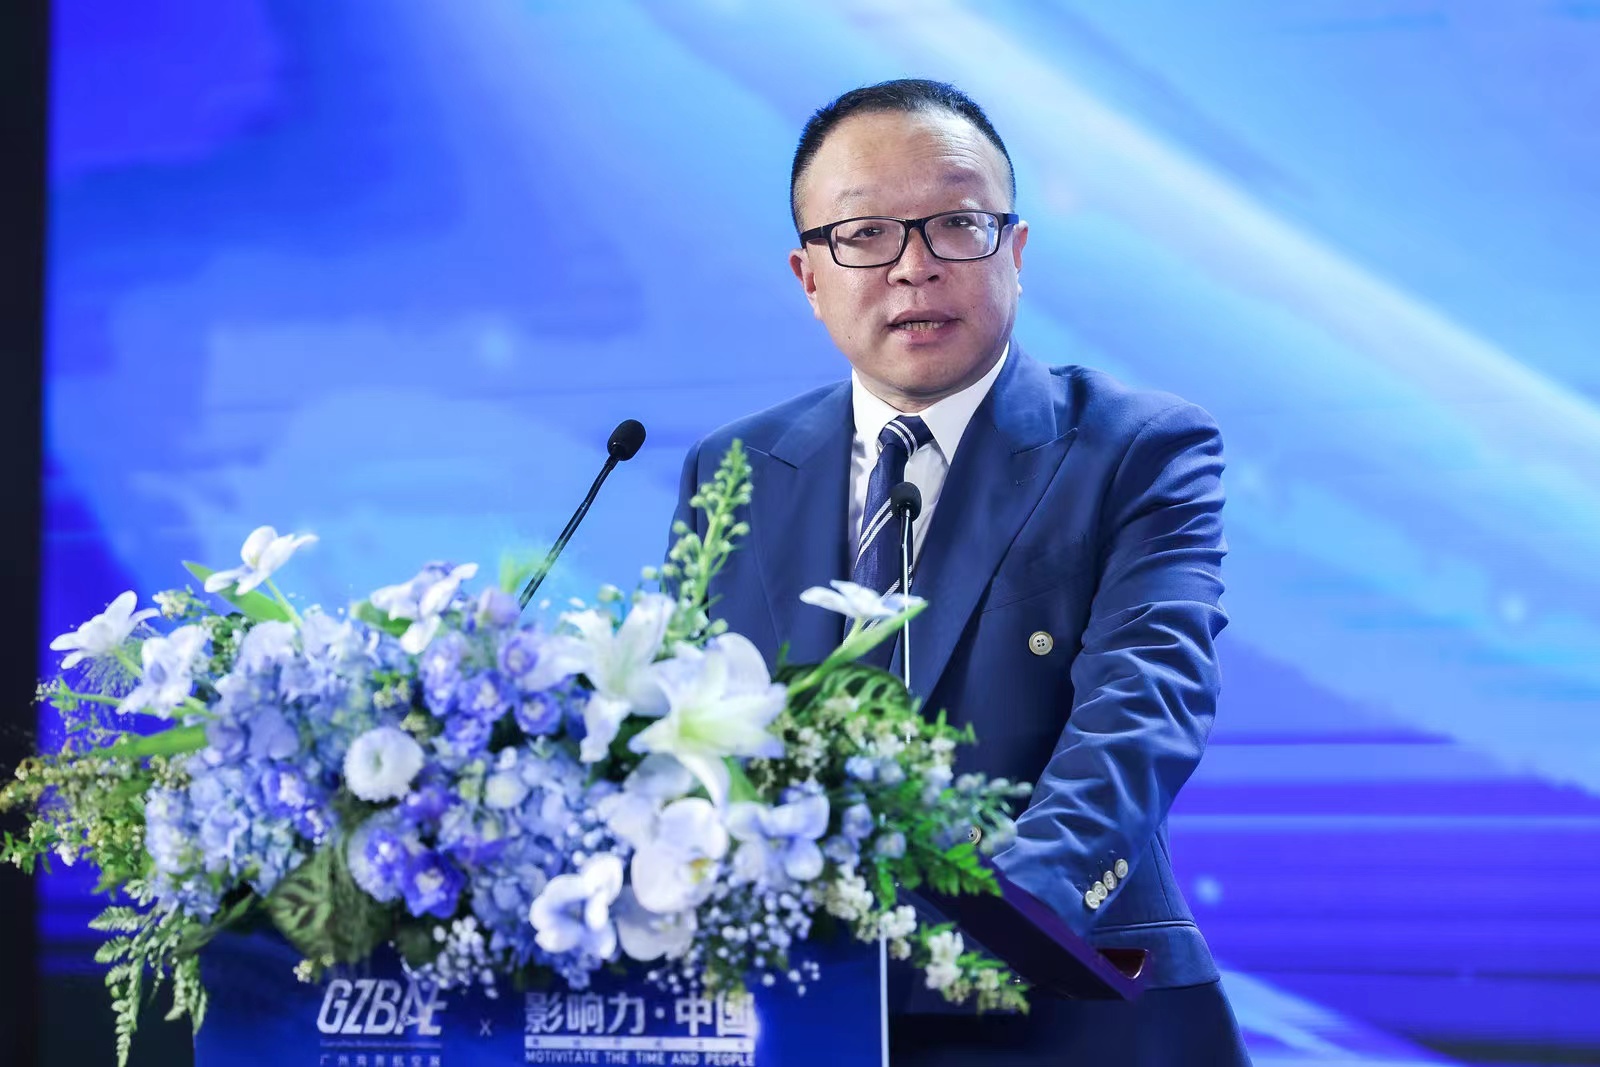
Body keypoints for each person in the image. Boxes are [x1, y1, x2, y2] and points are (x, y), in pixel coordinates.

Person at [670, 79, 1250, 1065]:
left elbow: (1145, 704)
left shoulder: (1137, 446)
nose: (914, 265)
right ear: (808, 276)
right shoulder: (733, 468)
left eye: (956, 225)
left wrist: (999, 913)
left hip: (1066, 998)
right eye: (863, 234)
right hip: (798, 1012)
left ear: (1014, 253)